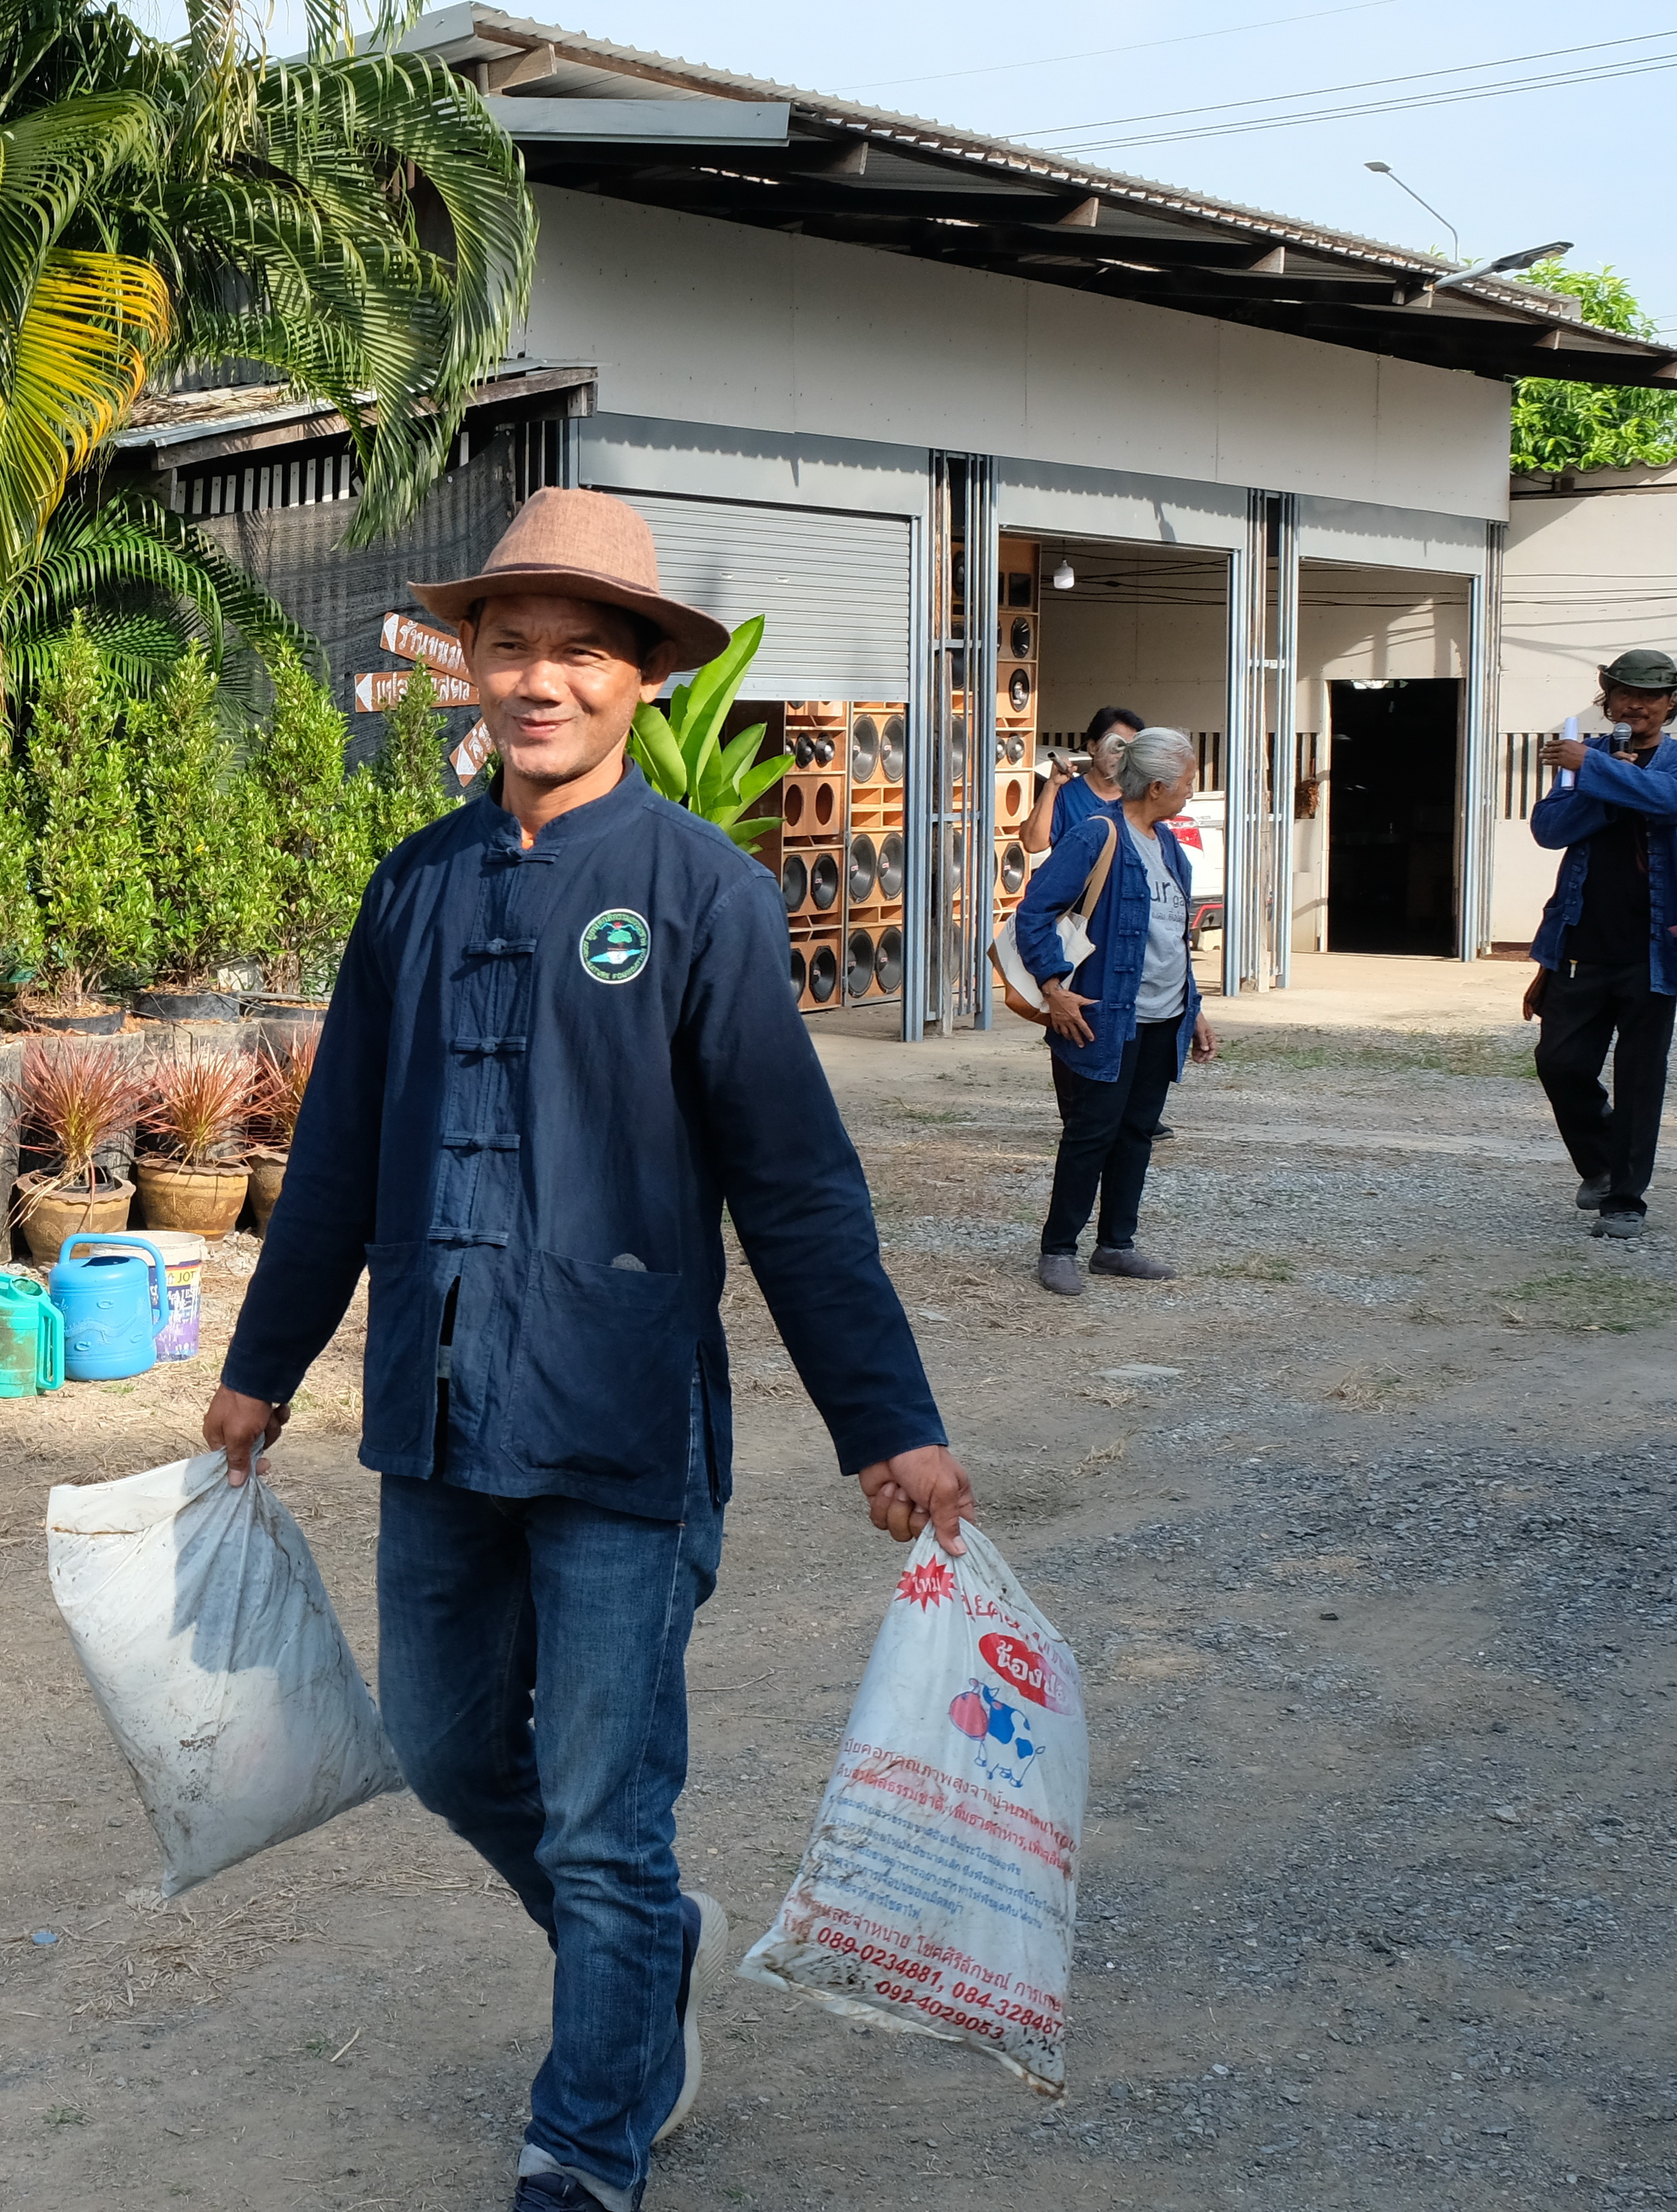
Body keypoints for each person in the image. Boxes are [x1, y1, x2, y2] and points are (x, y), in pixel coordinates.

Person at [198, 488, 968, 2212]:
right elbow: (333, 1161)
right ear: (467, 667)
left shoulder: (695, 895)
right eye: (508, 644)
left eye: (578, 651)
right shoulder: (412, 890)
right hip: (436, 1410)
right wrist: (263, 1361)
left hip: (619, 1427)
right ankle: (644, 1965)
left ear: (633, 680)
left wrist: (884, 1421)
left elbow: (792, 1184)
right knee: (454, 1750)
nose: (538, 678)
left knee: (603, 1806)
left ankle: (584, 2133)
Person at [1019, 726, 1217, 1297]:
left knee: (1136, 1134)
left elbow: (1172, 938)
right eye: (1186, 784)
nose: (1189, 794)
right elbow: (1034, 912)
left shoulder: (1169, 845)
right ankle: (1059, 1249)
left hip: (1164, 1016)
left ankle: (1116, 1247)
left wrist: (1194, 1009)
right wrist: (1054, 986)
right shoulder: (1097, 835)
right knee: (1091, 1133)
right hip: (1105, 1016)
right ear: (1157, 786)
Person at [1524, 649, 1677, 1240]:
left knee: (1639, 1078)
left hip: (1653, 951)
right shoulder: (1586, 758)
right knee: (1558, 1062)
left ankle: (1626, 1200)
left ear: (1670, 703)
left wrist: (1598, 773)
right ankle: (1603, 1163)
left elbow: (1673, 803)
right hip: (1579, 943)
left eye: (1651, 696)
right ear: (1607, 699)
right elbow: (1549, 829)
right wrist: (1598, 779)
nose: (1637, 705)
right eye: (1626, 694)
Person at [1018, 704, 1144, 855]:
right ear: (1093, 747)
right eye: (1115, 746)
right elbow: (1033, 844)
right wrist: (1052, 786)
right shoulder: (1066, 793)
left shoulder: (1140, 798)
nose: (1122, 755)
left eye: (1130, 749)